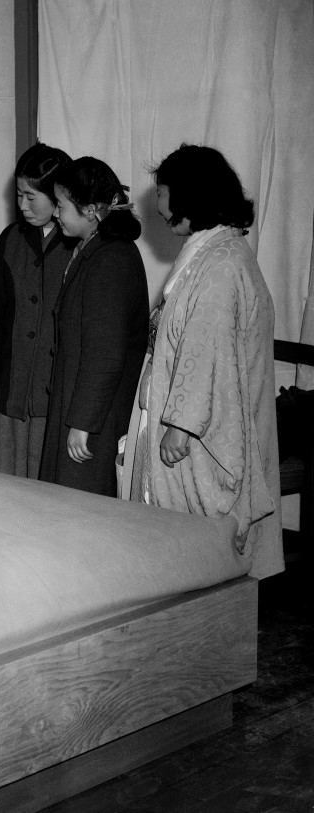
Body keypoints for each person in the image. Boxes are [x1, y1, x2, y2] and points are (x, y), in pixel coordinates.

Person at [128, 144, 282, 578]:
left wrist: (181, 425)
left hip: (197, 434)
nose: (157, 205)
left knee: (200, 545)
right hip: (186, 421)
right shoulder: (211, 253)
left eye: (162, 193)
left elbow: (207, 348)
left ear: (188, 196)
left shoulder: (220, 265)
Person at [38, 157, 149, 496]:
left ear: (89, 210)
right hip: (79, 409)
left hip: (93, 422)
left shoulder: (111, 260)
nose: (56, 213)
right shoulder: (94, 250)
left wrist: (83, 424)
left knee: (78, 511)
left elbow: (105, 353)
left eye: (60, 205)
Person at [0, 142, 76, 477]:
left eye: (32, 197)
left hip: (54, 391)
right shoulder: (11, 239)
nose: (22, 205)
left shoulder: (79, 242)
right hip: (11, 385)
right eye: (18, 195)